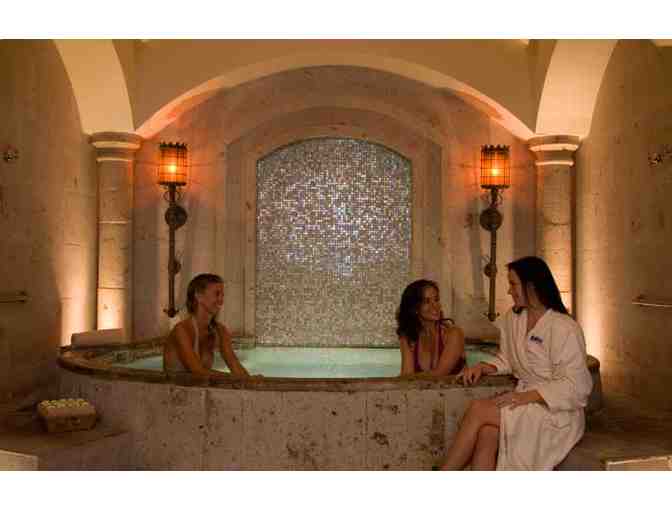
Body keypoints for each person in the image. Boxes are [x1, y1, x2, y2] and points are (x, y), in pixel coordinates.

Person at [440, 256, 593, 470]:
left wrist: (525, 397)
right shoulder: (514, 319)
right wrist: (483, 366)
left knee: (478, 409)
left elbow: (577, 386)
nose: (509, 291)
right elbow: (508, 358)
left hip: (555, 412)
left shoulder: (563, 327)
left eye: (513, 284)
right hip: (525, 401)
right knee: (487, 433)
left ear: (531, 287)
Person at [163, 273, 253, 378]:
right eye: (217, 294)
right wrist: (238, 379)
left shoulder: (220, 331)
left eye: (222, 295)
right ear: (199, 296)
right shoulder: (182, 330)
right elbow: (197, 371)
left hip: (200, 387)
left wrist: (251, 381)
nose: (221, 300)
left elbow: (235, 366)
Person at [396, 279, 465, 377]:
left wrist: (411, 377)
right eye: (427, 301)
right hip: (423, 387)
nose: (435, 305)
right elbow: (406, 375)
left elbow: (440, 374)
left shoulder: (454, 334)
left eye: (436, 299)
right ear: (414, 308)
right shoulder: (408, 337)